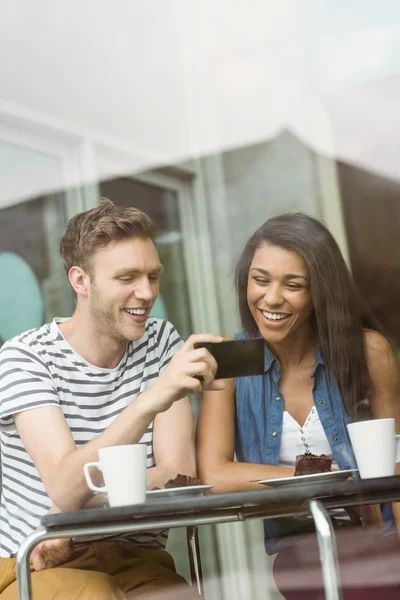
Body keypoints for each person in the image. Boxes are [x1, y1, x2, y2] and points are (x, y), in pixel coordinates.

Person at [0, 198, 223, 599]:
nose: (146, 292)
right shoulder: (25, 357)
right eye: (127, 278)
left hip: (136, 560)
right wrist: (151, 399)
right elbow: (66, 488)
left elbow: (176, 475)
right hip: (35, 562)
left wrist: (79, 511)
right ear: (80, 281)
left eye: (153, 276)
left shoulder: (160, 342)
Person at [197, 212, 400, 598]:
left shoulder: (365, 351)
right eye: (260, 280)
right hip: (301, 547)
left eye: (294, 285)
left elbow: (397, 465)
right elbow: (214, 475)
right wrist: (317, 481)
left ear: (319, 291)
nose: (271, 298)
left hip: (380, 539)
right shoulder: (232, 358)